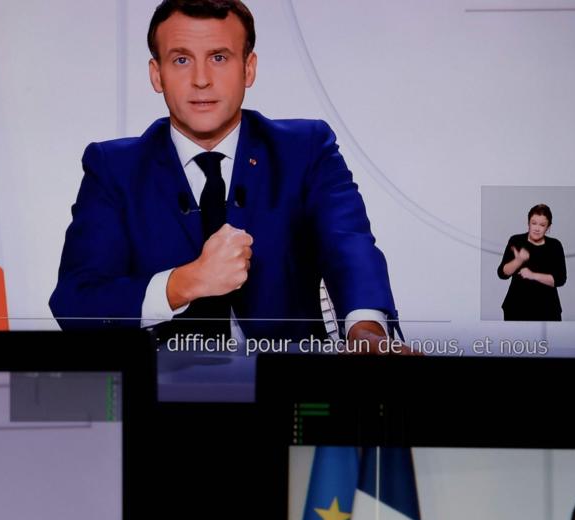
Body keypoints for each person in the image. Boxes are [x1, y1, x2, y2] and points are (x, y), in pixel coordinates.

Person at [48, 0, 401, 352]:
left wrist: (366, 333)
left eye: (219, 57)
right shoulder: (113, 168)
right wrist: (183, 283)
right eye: (181, 59)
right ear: (157, 74)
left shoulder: (306, 148)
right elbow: (76, 302)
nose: (201, 80)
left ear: (248, 68)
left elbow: (349, 245)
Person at [496, 203, 566, 322]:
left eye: (542, 225)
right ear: (528, 223)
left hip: (548, 309)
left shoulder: (555, 245)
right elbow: (502, 274)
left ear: (548, 227)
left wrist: (532, 275)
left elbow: (560, 279)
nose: (537, 228)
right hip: (516, 308)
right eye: (534, 223)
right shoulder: (516, 240)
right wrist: (518, 260)